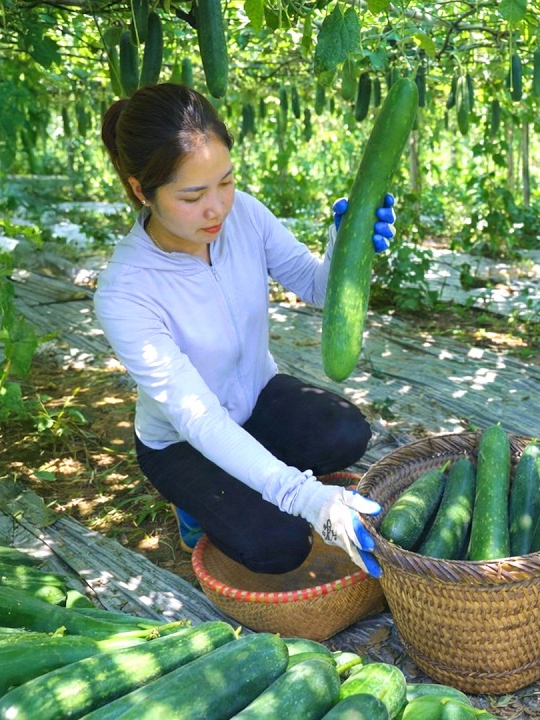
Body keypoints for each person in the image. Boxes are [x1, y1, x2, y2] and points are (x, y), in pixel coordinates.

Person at [94, 83, 396, 578]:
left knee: (344, 430)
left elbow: (317, 286)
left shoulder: (246, 216)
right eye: (192, 196)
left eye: (226, 182)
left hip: (256, 398)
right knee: (278, 544)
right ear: (139, 190)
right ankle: (196, 505)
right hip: (182, 440)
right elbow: (198, 419)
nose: (217, 208)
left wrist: (348, 244)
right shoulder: (125, 291)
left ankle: (250, 474)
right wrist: (305, 496)